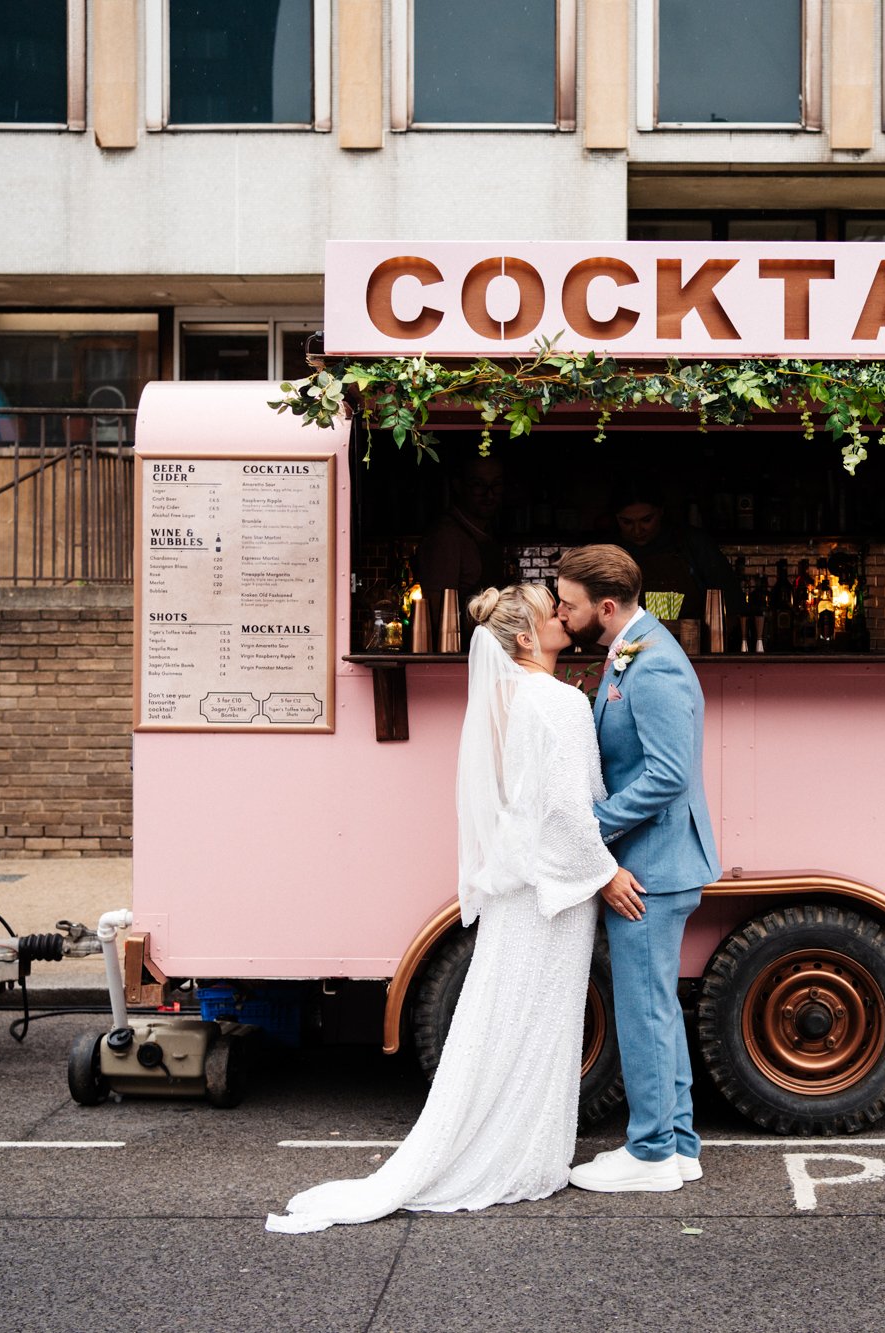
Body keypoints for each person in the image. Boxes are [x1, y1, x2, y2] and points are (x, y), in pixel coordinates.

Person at [267, 583, 644, 1233]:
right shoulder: (558, 701)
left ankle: (503, 1146)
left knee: (503, 1016)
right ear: (525, 638)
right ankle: (525, 1156)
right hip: (556, 892)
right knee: (542, 1021)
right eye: (548, 609)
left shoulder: (501, 699)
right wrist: (606, 871)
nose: (562, 612)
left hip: (518, 887)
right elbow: (569, 805)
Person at [555, 544, 721, 1193]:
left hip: (654, 863)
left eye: (567, 602)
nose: (560, 612)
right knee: (656, 1005)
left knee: (643, 1006)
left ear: (604, 605)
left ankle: (650, 1151)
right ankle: (677, 1144)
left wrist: (591, 827)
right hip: (657, 858)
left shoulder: (653, 665)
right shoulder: (633, 650)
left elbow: (668, 775)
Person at [609, 480, 738, 624]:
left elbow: (732, 604)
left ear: (660, 512)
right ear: (616, 518)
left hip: (691, 642)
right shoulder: (608, 552)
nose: (637, 530)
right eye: (627, 522)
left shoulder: (693, 544)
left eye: (646, 520)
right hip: (624, 644)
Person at [416, 455, 507, 620]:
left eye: (496, 485)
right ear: (459, 486)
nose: (489, 494)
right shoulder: (446, 537)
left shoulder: (487, 532)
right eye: (478, 485)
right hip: (460, 644)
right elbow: (436, 613)